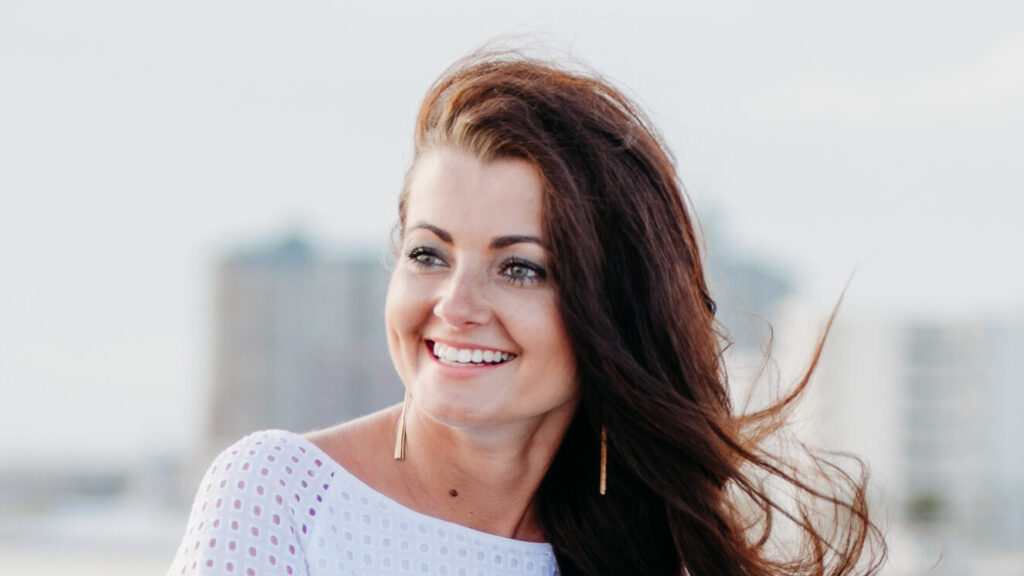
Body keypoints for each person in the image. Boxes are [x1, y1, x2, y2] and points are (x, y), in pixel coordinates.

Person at [168, 50, 886, 576]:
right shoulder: (280, 493)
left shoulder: (660, 553)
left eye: (520, 268)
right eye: (428, 254)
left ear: (611, 306)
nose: (456, 305)